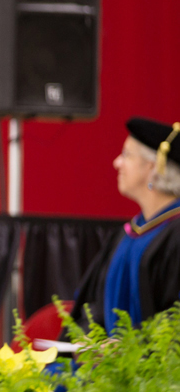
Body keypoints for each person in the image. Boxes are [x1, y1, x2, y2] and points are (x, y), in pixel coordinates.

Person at [69, 117, 180, 333]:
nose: (116, 162)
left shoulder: (175, 233)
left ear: (152, 167)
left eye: (126, 155)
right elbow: (95, 305)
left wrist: (129, 347)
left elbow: (174, 319)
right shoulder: (127, 234)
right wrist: (90, 340)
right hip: (106, 362)